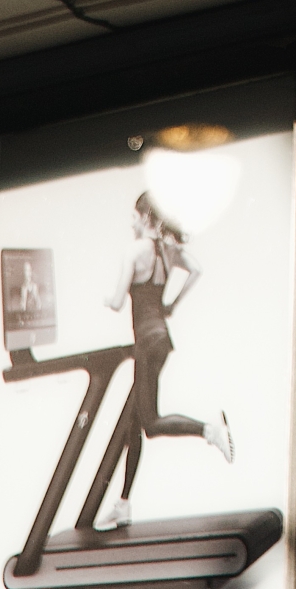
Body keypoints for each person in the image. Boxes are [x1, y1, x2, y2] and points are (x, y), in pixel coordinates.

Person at [100, 191, 231, 527]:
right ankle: (124, 504)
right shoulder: (168, 250)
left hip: (147, 344)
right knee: (133, 425)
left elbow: (116, 302)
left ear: (145, 217)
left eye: (133, 215)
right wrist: (172, 303)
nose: (130, 221)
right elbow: (197, 269)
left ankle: (211, 430)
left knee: (151, 425)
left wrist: (105, 298)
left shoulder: (135, 251)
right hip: (160, 341)